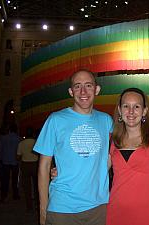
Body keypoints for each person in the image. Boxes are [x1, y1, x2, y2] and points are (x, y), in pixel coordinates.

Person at [34, 70, 113, 225]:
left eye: (88, 85)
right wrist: (43, 209)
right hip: (62, 208)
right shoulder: (55, 120)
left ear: (97, 90)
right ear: (71, 92)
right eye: (77, 86)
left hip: (99, 207)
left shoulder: (106, 120)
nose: (83, 91)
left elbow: (114, 154)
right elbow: (43, 166)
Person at [106, 88, 149, 225]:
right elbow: (96, 171)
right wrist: (63, 171)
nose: (131, 111)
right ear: (119, 110)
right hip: (114, 211)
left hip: (144, 213)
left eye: (136, 106)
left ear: (144, 111)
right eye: (126, 106)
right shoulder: (113, 140)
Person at [17, 127, 39, 212]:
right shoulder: (36, 142)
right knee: (37, 185)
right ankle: (38, 204)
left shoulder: (21, 143)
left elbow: (18, 156)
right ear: (33, 134)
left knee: (27, 187)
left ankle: (29, 206)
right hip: (35, 165)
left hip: (25, 165)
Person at [0, 123, 21, 203]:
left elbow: (0, 149)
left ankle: (4, 195)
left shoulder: (4, 138)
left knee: (5, 179)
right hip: (15, 161)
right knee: (15, 179)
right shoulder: (18, 139)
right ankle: (15, 194)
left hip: (5, 161)